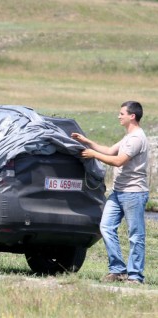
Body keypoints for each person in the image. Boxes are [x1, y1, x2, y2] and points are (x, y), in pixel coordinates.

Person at [71, 101, 148, 284]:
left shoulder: (137, 138)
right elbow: (109, 150)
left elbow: (118, 161)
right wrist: (86, 141)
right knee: (106, 227)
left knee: (136, 235)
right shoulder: (128, 136)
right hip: (119, 191)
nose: (118, 116)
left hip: (134, 193)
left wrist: (93, 155)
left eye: (122, 113)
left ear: (132, 116)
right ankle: (118, 270)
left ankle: (135, 276)